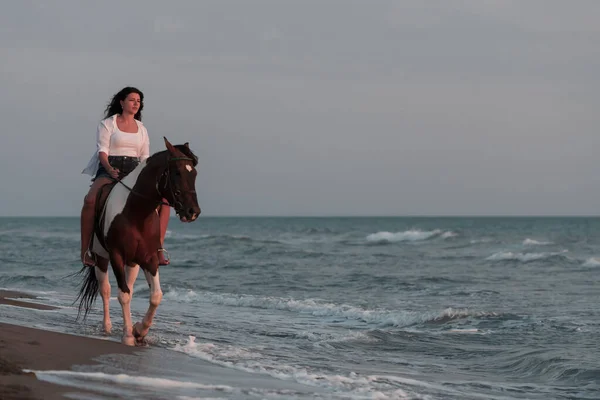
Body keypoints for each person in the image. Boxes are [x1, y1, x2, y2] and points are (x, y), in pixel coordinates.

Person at [80, 87, 171, 267]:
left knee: (163, 202)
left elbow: (145, 157)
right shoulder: (108, 124)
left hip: (134, 170)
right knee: (90, 200)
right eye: (132, 100)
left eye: (138, 101)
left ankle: (158, 249)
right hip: (109, 168)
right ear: (122, 102)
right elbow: (102, 151)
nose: (136, 103)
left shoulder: (142, 129)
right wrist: (109, 168)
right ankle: (85, 251)